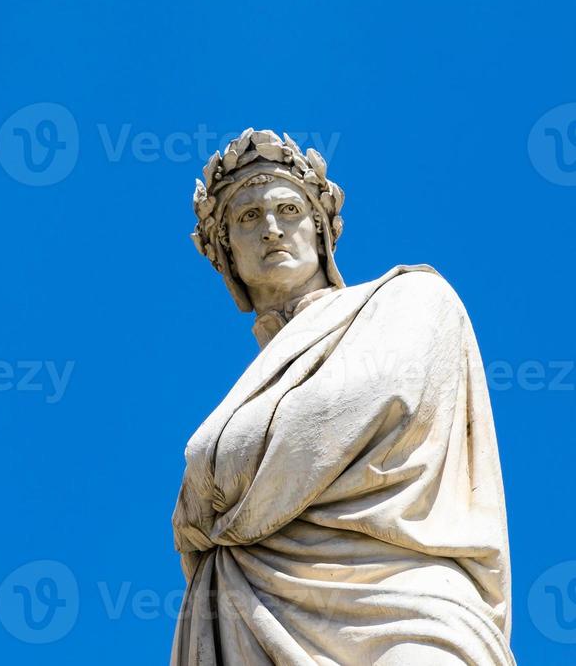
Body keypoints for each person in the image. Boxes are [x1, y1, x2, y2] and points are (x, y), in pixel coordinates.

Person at [172, 130, 515, 665]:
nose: (271, 228)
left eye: (288, 208)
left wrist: (206, 487)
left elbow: (326, 421)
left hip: (403, 609)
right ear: (225, 252)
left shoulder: (409, 299)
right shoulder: (250, 387)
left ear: (320, 227)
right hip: (251, 615)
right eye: (247, 218)